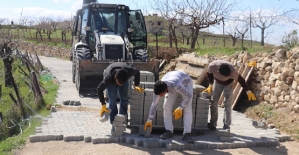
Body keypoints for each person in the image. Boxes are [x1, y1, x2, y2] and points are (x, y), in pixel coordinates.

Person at [203, 60, 257, 130]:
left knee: (227, 105)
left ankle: (226, 125)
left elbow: (241, 80)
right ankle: (213, 124)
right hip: (217, 83)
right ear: (218, 72)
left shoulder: (232, 71)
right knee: (214, 102)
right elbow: (209, 73)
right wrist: (210, 85)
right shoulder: (212, 66)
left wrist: (247, 91)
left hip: (228, 84)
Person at [144, 70, 194, 143]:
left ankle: (187, 133)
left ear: (166, 90)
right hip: (172, 81)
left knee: (187, 107)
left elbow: (189, 96)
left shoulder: (176, 85)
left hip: (186, 82)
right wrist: (149, 119)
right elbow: (154, 104)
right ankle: (169, 131)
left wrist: (180, 107)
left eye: (161, 94)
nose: (160, 96)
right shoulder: (159, 88)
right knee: (166, 106)